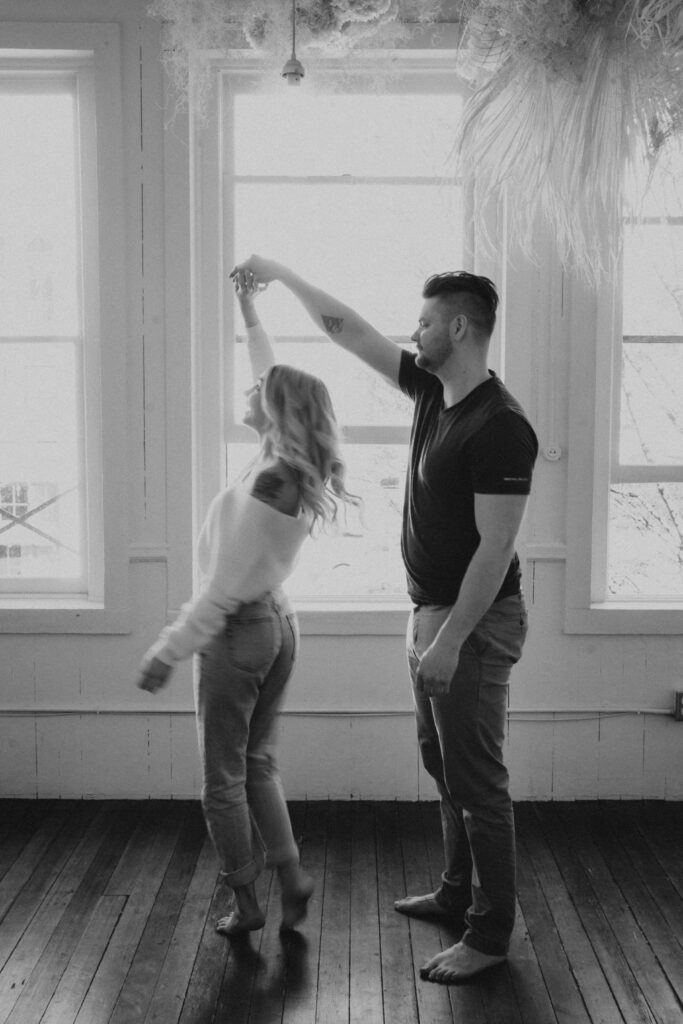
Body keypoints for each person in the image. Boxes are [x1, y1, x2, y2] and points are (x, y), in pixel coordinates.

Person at [230, 255, 538, 982]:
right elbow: (349, 331)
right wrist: (283, 275)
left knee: (478, 785)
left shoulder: (500, 427)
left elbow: (496, 552)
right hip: (429, 615)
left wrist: (451, 642)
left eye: (427, 321)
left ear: (458, 327)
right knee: (443, 768)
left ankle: (490, 937)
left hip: (472, 624)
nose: (414, 330)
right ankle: (456, 894)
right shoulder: (434, 392)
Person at [137, 274, 359, 936]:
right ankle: (290, 878)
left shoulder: (268, 482)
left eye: (255, 394)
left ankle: (247, 901)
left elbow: (220, 589)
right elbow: (270, 372)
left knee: (221, 781)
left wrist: (166, 651)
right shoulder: (283, 464)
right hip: (276, 623)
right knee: (257, 761)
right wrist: (247, 308)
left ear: (274, 410)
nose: (245, 391)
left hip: (238, 632)